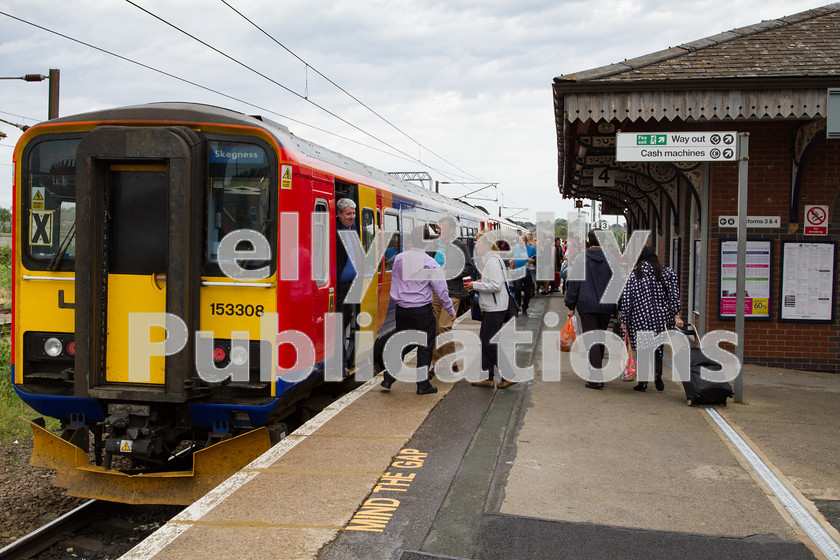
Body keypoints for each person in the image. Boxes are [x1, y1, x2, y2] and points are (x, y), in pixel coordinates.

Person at [381, 225, 455, 395]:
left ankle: (388, 378)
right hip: (422, 310)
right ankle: (422, 384)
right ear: (427, 242)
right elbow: (441, 290)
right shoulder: (430, 263)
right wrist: (450, 309)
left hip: (402, 310)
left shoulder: (399, 258)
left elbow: (396, 281)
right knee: (425, 346)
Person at [619, 245, 683, 392]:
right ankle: (657, 373)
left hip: (639, 317)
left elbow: (627, 300)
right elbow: (674, 297)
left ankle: (643, 382)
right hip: (661, 318)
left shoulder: (634, 275)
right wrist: (675, 314)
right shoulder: (666, 273)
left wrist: (624, 320)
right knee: (658, 347)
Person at [564, 230, 617, 389]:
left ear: (589, 240)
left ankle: (595, 376)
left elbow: (574, 282)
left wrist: (571, 304)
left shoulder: (581, 258)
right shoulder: (612, 259)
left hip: (586, 304)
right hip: (606, 304)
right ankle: (596, 371)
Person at [465, 231, 515, 389]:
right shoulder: (493, 259)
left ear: (486, 245)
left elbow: (495, 285)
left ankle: (509, 374)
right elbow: (494, 281)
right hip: (494, 306)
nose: (475, 245)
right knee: (486, 341)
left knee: (489, 343)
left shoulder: (492, 261)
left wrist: (475, 285)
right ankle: (487, 377)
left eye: (478, 243)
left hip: (495, 308)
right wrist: (482, 280)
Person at [430, 215, 475, 375]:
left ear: (451, 230)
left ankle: (451, 361)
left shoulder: (460, 246)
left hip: (452, 292)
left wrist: (448, 273)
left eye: (441, 228)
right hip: (435, 291)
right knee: (434, 328)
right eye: (438, 228)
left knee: (444, 327)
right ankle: (436, 364)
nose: (438, 231)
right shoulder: (434, 245)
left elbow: (469, 268)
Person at [335, 198, 360, 370]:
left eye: (353, 213)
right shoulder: (334, 231)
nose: (352, 216)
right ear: (339, 214)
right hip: (339, 286)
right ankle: (341, 363)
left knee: (348, 319)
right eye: (348, 213)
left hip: (352, 284)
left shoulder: (352, 229)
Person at [509, 234, 535, 314]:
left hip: (528, 273)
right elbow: (513, 260)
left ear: (526, 241)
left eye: (523, 241)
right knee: (517, 289)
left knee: (527, 292)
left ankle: (525, 307)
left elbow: (537, 260)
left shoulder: (532, 249)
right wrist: (511, 269)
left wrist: (531, 260)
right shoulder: (515, 249)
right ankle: (518, 306)